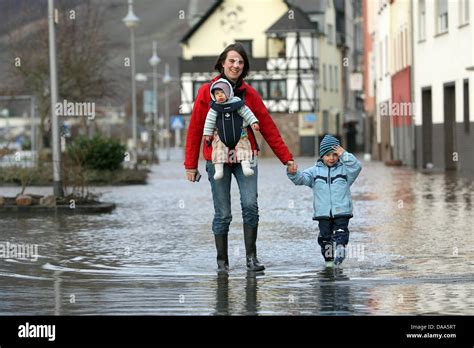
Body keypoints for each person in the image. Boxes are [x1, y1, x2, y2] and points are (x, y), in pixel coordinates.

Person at [184, 43, 297, 272]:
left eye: (240, 62)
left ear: (244, 67)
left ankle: (251, 259)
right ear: (223, 63)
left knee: (250, 206)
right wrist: (190, 164)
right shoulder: (206, 92)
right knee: (223, 213)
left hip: (246, 156)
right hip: (217, 159)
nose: (236, 65)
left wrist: (287, 159)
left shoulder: (250, 94)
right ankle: (222, 262)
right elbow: (196, 127)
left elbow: (267, 127)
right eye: (232, 61)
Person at [287, 134, 362, 267]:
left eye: (334, 155)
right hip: (323, 213)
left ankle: (340, 249)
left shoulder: (345, 171)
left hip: (342, 211)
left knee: (341, 232)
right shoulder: (314, 172)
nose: (332, 158)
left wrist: (344, 154)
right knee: (325, 238)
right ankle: (329, 263)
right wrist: (293, 173)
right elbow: (301, 179)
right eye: (327, 155)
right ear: (322, 156)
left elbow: (356, 167)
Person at [203, 78, 260, 180]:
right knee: (218, 149)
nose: (219, 95)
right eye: (217, 93)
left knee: (244, 146)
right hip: (221, 134)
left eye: (222, 92)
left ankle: (246, 167)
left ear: (229, 93)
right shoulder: (214, 108)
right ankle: (219, 169)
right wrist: (207, 134)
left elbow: (247, 113)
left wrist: (253, 122)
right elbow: (209, 121)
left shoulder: (237, 104)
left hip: (239, 132)